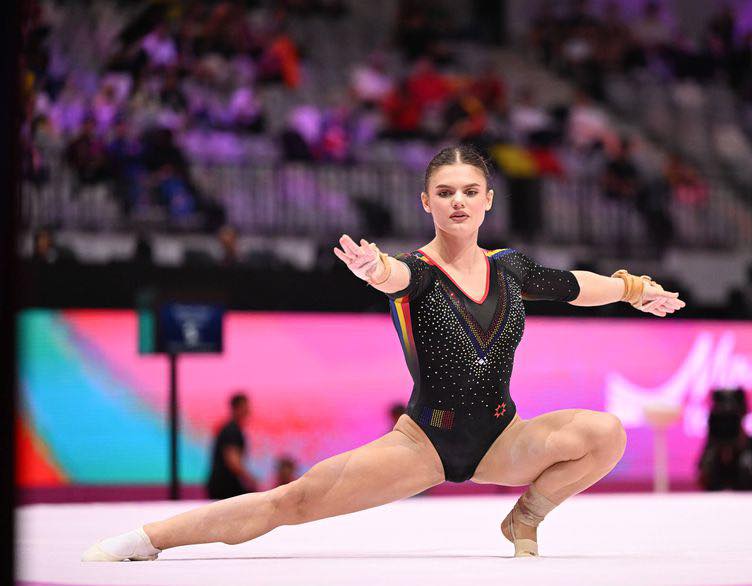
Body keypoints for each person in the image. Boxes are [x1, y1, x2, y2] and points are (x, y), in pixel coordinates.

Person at [82, 145, 685, 562]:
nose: (457, 201)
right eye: (444, 192)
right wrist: (375, 270)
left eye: (469, 191)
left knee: (605, 434)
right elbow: (396, 277)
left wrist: (634, 289)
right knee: (292, 502)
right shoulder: (417, 272)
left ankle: (523, 519)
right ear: (426, 202)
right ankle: (150, 538)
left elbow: (575, 285)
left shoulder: (511, 269)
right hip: (421, 445)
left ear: (488, 200)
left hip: (504, 438)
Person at [205, 393, 256, 500]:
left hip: (224, 484)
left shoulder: (232, 429)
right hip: (224, 486)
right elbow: (233, 462)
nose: (248, 410)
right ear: (236, 408)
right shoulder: (231, 430)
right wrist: (252, 479)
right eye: (245, 407)